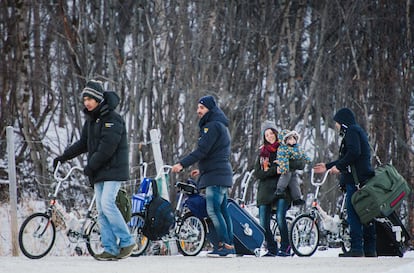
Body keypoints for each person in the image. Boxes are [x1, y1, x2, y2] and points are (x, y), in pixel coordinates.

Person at [53, 79, 136, 261]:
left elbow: (108, 148)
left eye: (90, 99)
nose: (87, 103)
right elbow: (83, 144)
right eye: (84, 100)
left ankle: (127, 241)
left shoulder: (113, 119)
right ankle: (110, 248)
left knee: (107, 204)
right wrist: (63, 157)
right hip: (99, 172)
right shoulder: (91, 120)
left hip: (113, 170)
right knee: (101, 209)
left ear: (98, 99)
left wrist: (90, 166)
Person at [171, 95, 235, 257]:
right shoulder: (220, 125)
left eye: (202, 108)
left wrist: (181, 164)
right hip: (219, 172)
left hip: (216, 175)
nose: (198, 111)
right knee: (222, 211)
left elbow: (202, 151)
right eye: (198, 107)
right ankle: (229, 245)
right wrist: (202, 169)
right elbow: (218, 153)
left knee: (213, 210)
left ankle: (224, 246)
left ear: (210, 109)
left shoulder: (212, 126)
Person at [313, 107, 376, 257]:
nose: (336, 126)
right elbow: (351, 156)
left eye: (337, 123)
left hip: (357, 181)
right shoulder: (356, 131)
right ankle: (369, 249)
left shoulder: (352, 131)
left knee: (353, 213)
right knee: (366, 214)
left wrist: (338, 167)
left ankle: (356, 249)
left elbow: (354, 153)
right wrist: (329, 166)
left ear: (343, 123)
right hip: (361, 178)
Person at [253, 120, 291, 257]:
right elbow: (258, 173)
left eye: (271, 133)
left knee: (281, 218)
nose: (270, 136)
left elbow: (288, 167)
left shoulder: (284, 149)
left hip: (281, 190)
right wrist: (275, 170)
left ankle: (286, 247)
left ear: (276, 133)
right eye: (267, 134)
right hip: (264, 191)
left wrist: (274, 171)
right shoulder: (262, 153)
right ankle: (272, 247)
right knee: (263, 223)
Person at [273, 129, 311, 206]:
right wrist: (284, 167)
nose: (293, 140)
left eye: (294, 138)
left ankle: (297, 198)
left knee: (294, 183)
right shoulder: (283, 148)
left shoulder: (297, 147)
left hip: (293, 170)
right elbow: (283, 158)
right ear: (285, 140)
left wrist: (307, 159)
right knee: (286, 176)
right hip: (286, 168)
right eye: (290, 139)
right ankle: (280, 189)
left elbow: (303, 154)